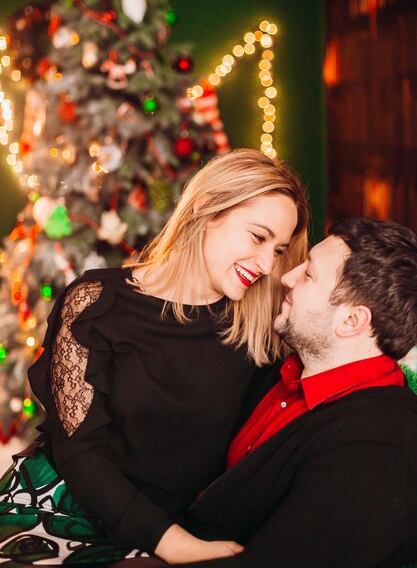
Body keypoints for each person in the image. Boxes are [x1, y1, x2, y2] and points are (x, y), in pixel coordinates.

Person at [0, 148, 309, 566]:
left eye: (277, 250)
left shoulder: (257, 331)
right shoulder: (95, 302)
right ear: (206, 208)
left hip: (173, 527)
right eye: (258, 237)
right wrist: (169, 542)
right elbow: (80, 450)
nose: (266, 265)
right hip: (59, 506)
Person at [172, 217, 417, 568]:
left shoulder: (378, 452)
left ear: (351, 321)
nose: (286, 276)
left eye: (309, 274)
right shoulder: (285, 372)